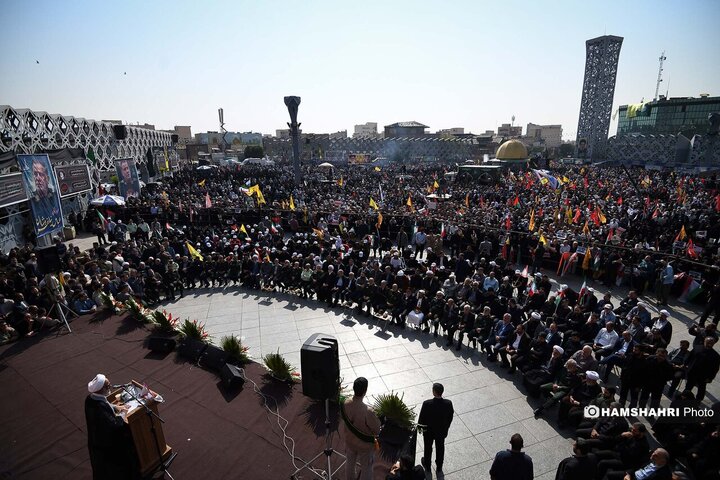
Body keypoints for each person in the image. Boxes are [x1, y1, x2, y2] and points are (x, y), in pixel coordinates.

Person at [84, 373, 136, 480]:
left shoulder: (90, 398)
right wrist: (123, 413)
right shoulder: (100, 408)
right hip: (106, 445)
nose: (110, 388)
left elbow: (106, 403)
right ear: (101, 389)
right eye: (108, 386)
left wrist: (117, 407)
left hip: (97, 439)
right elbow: (116, 425)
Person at [341, 377, 381, 480]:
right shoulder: (368, 411)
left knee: (349, 463)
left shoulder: (345, 403)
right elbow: (377, 430)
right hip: (364, 447)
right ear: (365, 391)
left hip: (349, 440)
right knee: (366, 469)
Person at [418, 383, 454, 472]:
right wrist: (446, 427)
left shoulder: (427, 404)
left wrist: (420, 429)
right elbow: (450, 417)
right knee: (440, 448)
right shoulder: (448, 403)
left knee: (428, 448)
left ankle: (427, 466)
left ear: (434, 392)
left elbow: (421, 419)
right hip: (441, 432)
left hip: (428, 432)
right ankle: (439, 466)